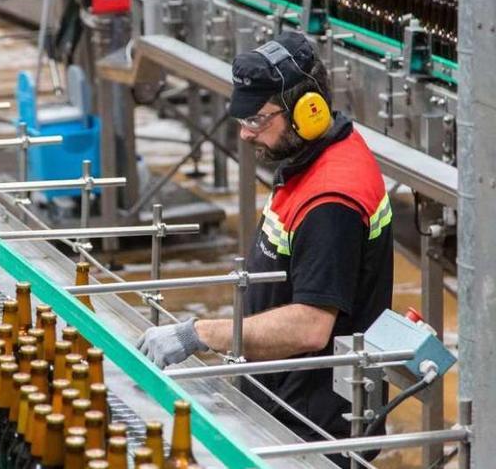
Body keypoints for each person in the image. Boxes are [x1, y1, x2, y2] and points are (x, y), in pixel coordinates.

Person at [136, 31, 393, 468]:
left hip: (313, 434)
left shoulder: (331, 200)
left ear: (308, 112)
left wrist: (198, 333)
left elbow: (310, 327)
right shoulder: (316, 155)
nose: (244, 135)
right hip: (284, 404)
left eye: (257, 120)